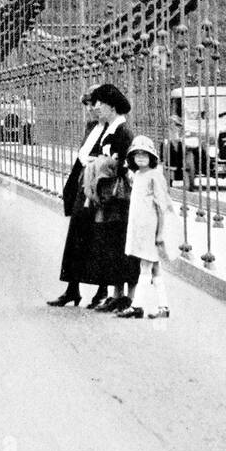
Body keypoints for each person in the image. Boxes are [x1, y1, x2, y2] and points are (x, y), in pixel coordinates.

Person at [83, 83, 138, 313]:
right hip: (108, 197)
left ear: (112, 107)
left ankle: (125, 297)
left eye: (101, 104)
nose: (97, 108)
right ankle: (116, 294)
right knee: (111, 244)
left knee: (120, 244)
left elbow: (126, 165)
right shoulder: (111, 129)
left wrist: (104, 165)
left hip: (119, 198)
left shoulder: (123, 132)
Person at [48, 94, 103, 307]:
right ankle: (73, 290)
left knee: (97, 240)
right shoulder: (91, 127)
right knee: (76, 238)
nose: (89, 109)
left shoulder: (110, 129)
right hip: (82, 185)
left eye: (93, 104)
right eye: (87, 105)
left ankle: (101, 291)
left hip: (95, 190)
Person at [114, 134, 175, 319]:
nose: (140, 158)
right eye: (137, 154)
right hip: (139, 229)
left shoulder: (154, 176)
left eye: (145, 154)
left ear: (152, 157)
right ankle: (163, 307)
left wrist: (160, 232)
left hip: (150, 229)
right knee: (155, 268)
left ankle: (137, 305)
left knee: (145, 267)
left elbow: (162, 206)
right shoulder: (138, 175)